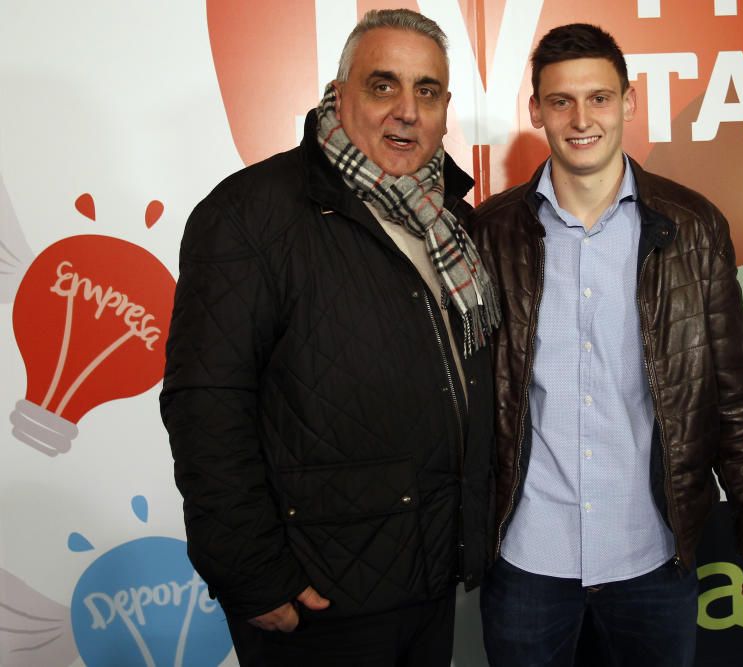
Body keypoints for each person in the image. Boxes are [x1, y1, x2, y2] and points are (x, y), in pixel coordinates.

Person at [160, 9, 500, 666]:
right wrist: (252, 573)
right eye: (383, 85)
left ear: (445, 108)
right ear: (339, 95)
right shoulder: (250, 215)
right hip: (317, 597)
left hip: (427, 580)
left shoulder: (452, 222)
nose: (407, 110)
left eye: (427, 91)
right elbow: (207, 405)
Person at [469, 23, 743, 667]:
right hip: (526, 558)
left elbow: (730, 388)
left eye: (599, 98)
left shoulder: (694, 228)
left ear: (629, 102)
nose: (581, 118)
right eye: (560, 101)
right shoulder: (489, 234)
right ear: (536, 111)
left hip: (652, 557)